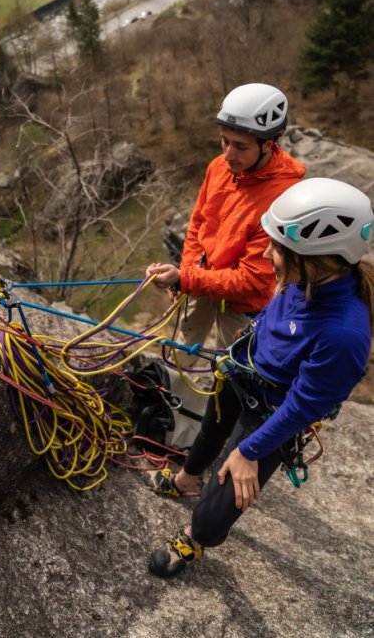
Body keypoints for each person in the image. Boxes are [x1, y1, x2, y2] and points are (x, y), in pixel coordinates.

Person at [146, 177, 374, 579]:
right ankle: (185, 480)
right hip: (242, 370)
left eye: (277, 249)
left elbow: (304, 406)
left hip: (273, 414)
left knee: (225, 494)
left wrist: (250, 451)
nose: (267, 255)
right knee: (209, 433)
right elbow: (274, 315)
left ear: (319, 257)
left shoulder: (344, 334)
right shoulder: (305, 279)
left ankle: (196, 536)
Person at [145, 82, 305, 446]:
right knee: (182, 349)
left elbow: (251, 279)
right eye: (224, 141)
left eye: (241, 146)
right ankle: (171, 421)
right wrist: (184, 277)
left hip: (244, 300)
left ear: (271, 143)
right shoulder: (219, 168)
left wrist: (187, 278)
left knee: (229, 374)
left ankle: (211, 441)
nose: (229, 154)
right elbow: (198, 224)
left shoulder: (284, 197)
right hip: (202, 279)